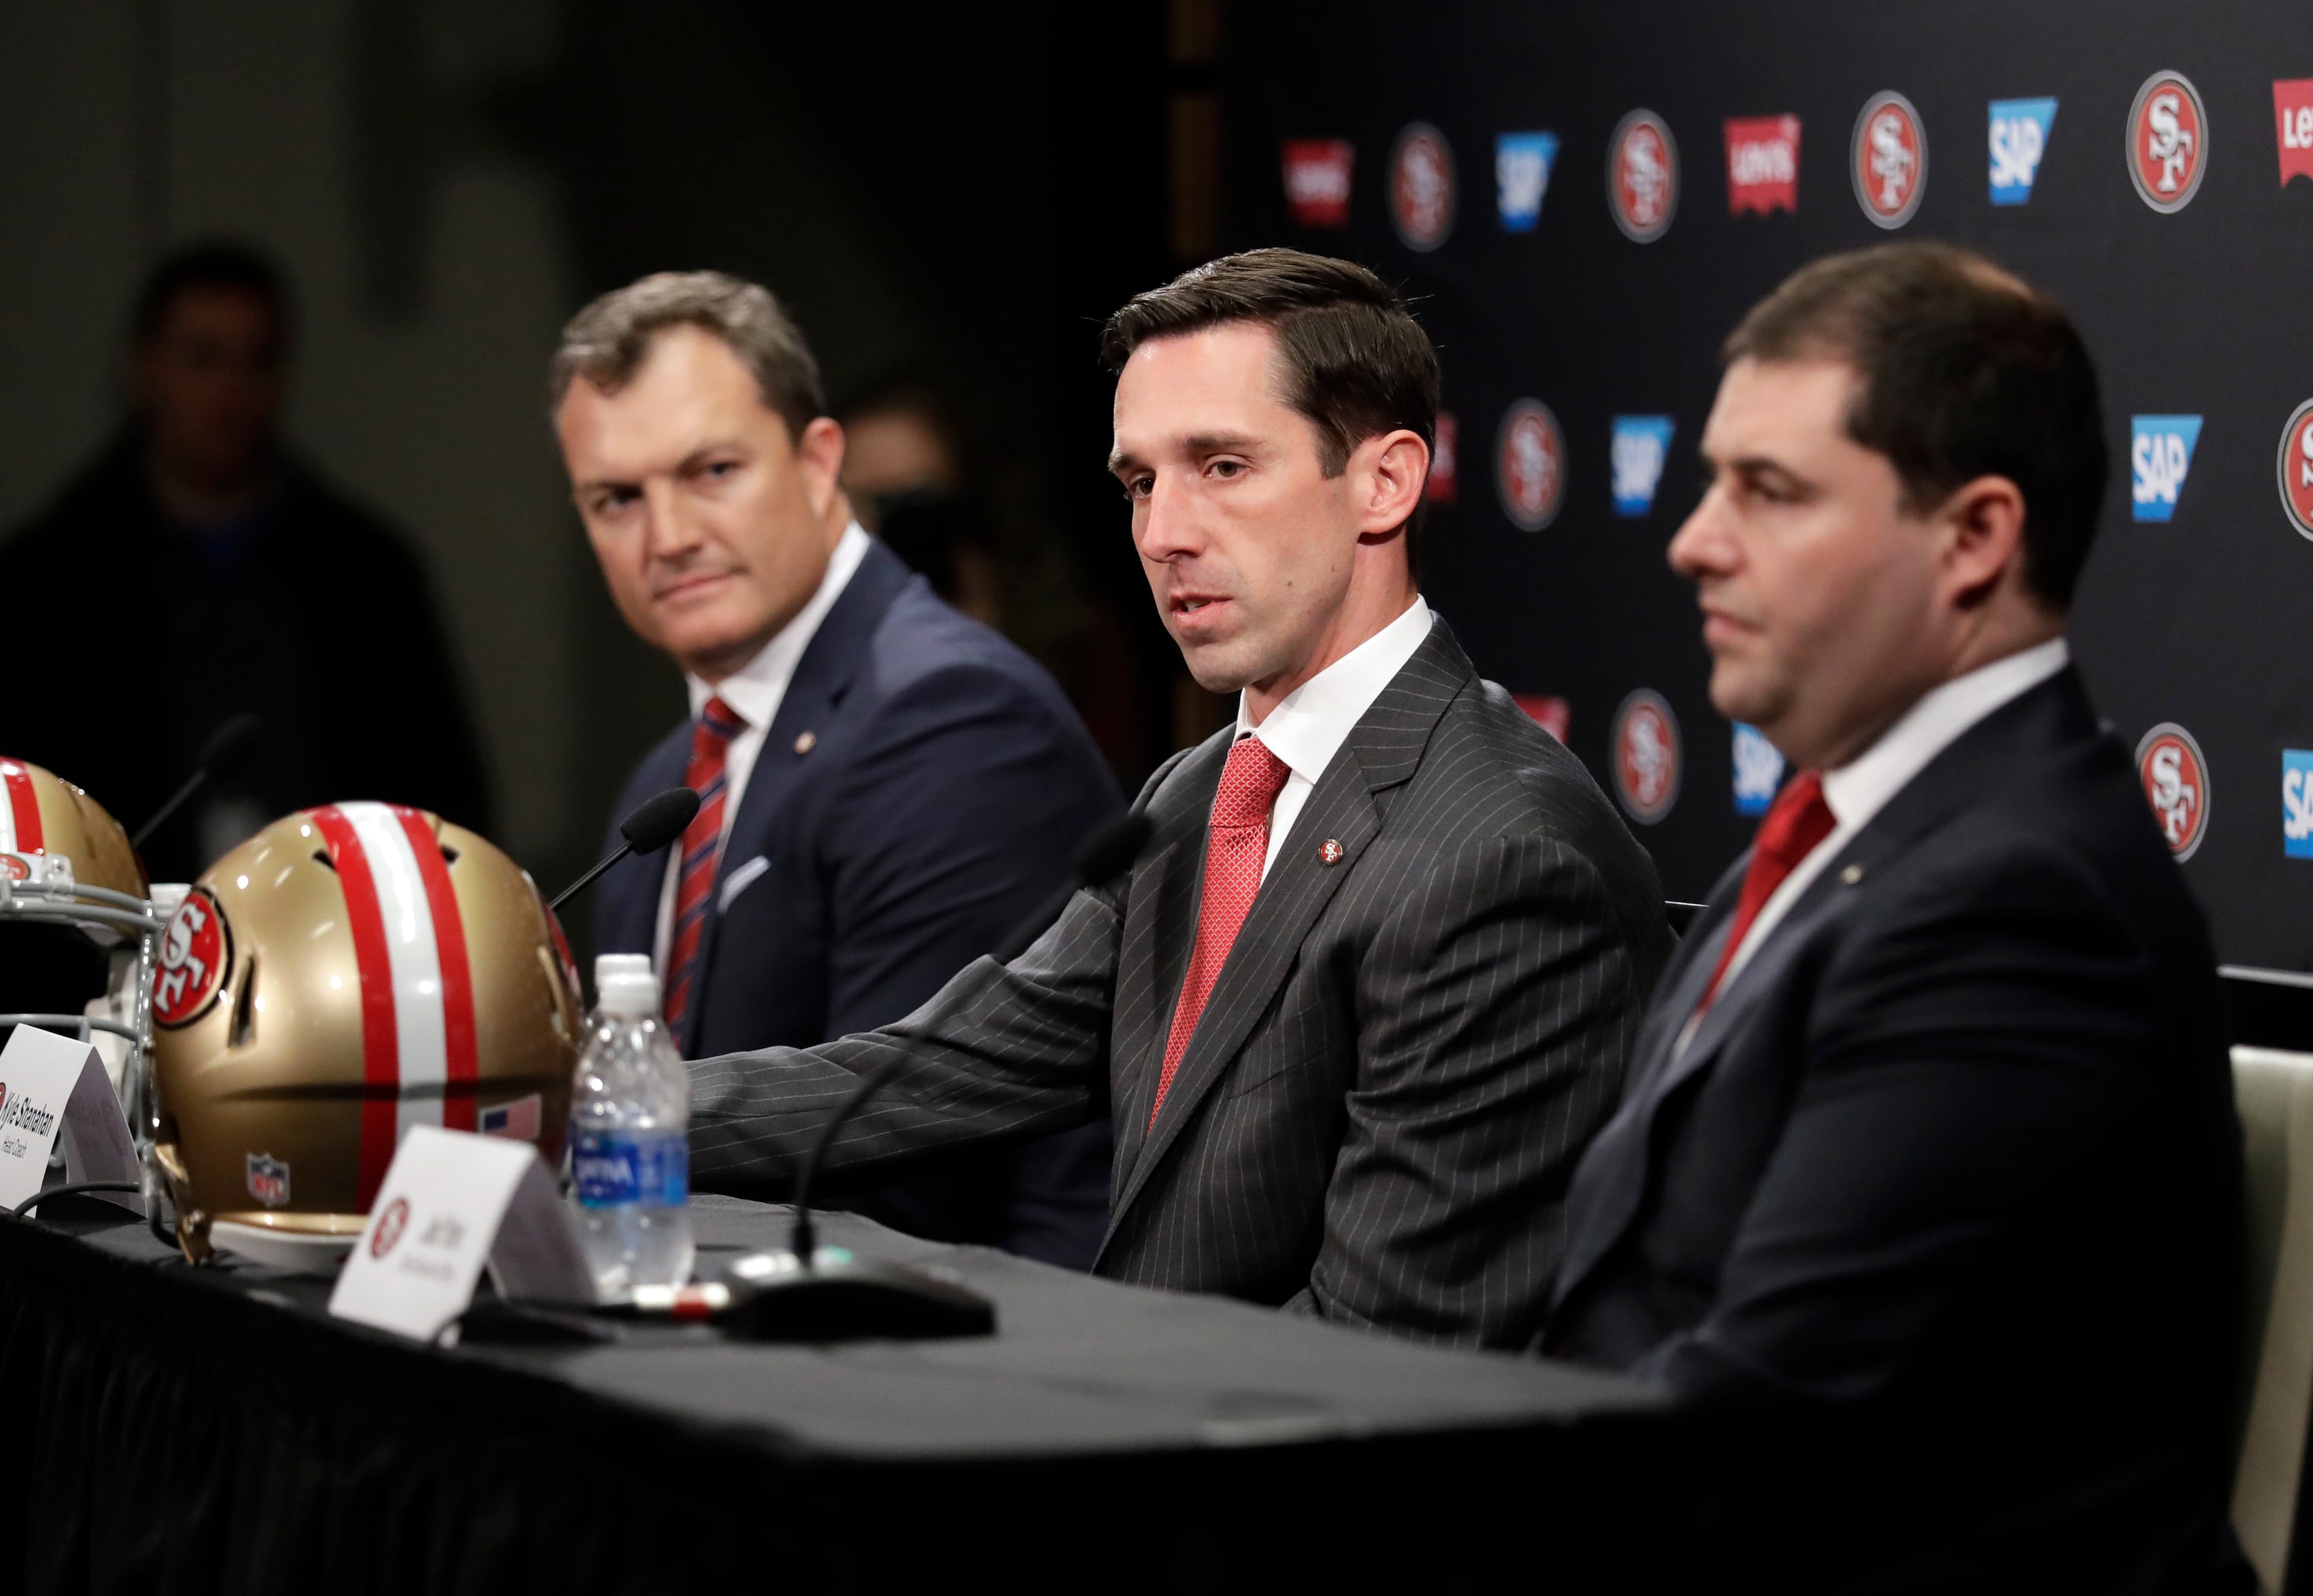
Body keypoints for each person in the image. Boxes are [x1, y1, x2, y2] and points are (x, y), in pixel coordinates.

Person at [678, 249, 1672, 1344]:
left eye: (1223, 466)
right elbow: (942, 1066)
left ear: (1384, 483)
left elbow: (1389, 1348)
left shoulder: (1498, 857)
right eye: (1142, 481)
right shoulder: (1197, 795)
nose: (1163, 533)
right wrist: (587, 1114)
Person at [1535, 244, 2245, 1589]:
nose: (1694, 537)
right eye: (1710, 479)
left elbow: (1760, 1427)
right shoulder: (1849, 824)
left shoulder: (2019, 901)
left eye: (1771, 490)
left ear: (1974, 537)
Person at [557, 272, 1119, 1268]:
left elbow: (889, 1160)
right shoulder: (667, 782)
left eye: (712, 471)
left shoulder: (949, 717)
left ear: (820, 463)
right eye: (617, 498)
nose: (669, 536)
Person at [0, 241, 490, 880]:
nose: (229, 390)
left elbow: (443, 813)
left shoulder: (368, 579)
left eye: (257, 361)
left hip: (330, 946)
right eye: (204, 358)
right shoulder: (36, 588)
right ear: (145, 368)